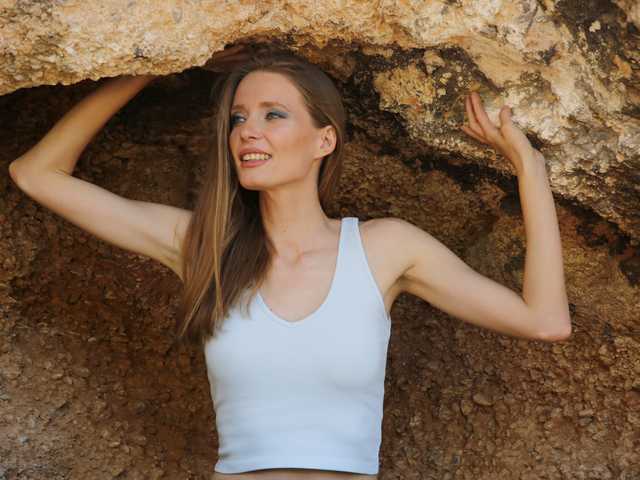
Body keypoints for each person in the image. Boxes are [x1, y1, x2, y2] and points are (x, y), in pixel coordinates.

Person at [8, 43, 572, 480]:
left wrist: (530, 169)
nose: (248, 131)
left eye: (273, 115)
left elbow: (545, 321)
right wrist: (149, 67)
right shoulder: (203, 245)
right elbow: (36, 174)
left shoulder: (385, 248)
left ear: (324, 140)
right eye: (238, 118)